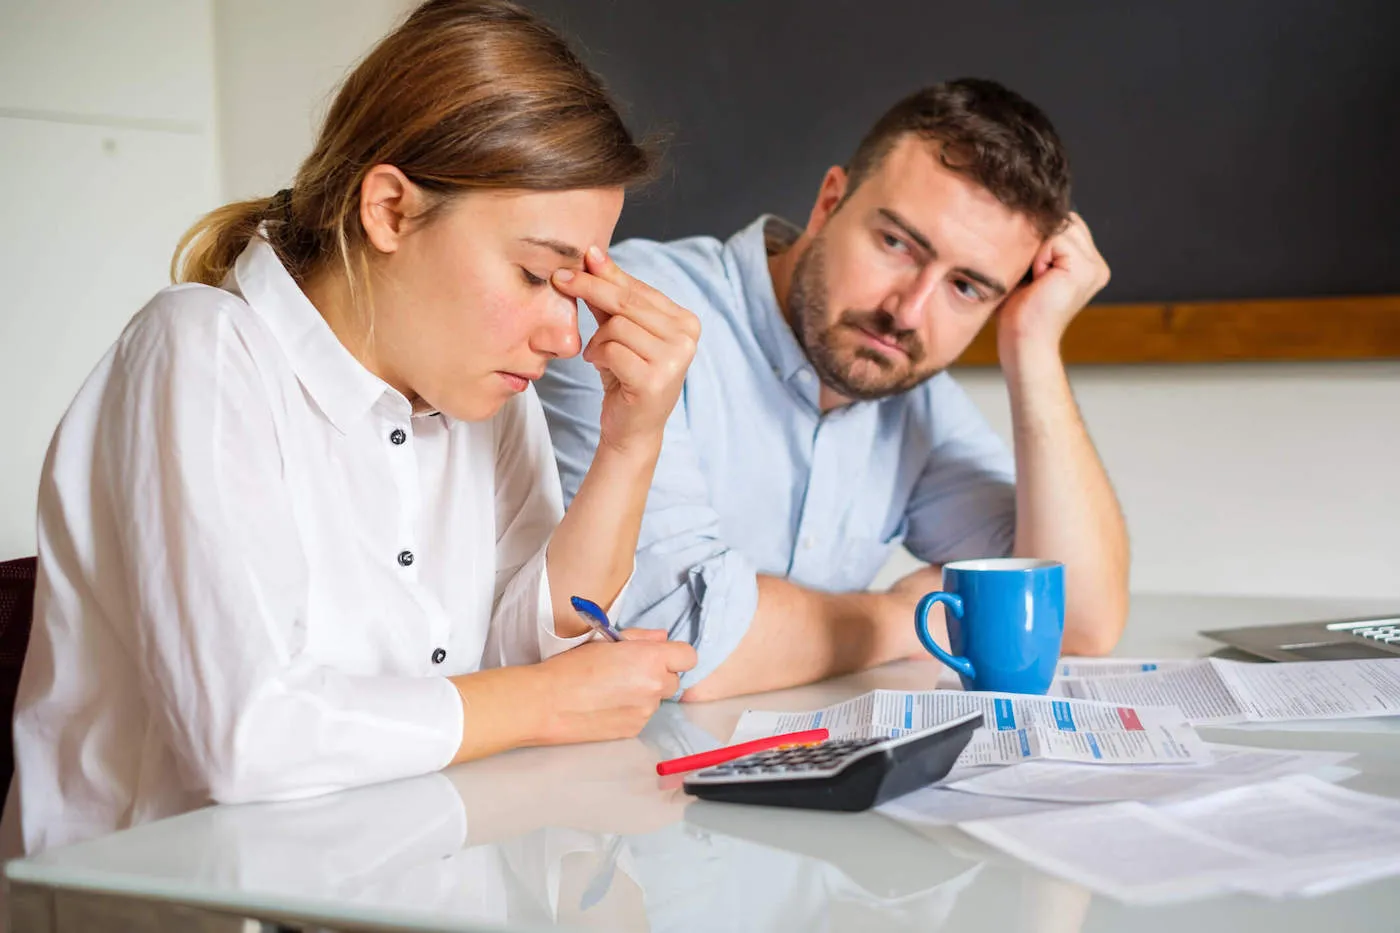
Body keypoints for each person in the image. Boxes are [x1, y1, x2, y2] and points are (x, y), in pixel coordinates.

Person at [2, 0, 700, 856]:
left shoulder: (486, 396)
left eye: (580, 286)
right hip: (178, 899)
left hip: (399, 880)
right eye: (533, 274)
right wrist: (552, 700)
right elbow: (247, 737)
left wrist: (633, 442)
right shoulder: (201, 352)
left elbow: (521, 650)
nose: (567, 335)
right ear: (391, 210)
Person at [538, 78, 1130, 701]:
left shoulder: (912, 397)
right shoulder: (629, 321)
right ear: (829, 202)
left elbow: (1077, 619)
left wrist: (1034, 347)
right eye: (897, 244)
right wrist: (906, 615)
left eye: (967, 288)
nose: (908, 311)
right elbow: (678, 641)